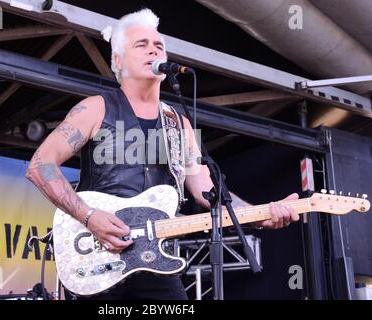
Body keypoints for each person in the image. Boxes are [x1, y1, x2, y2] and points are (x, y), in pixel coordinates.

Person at [26, 8, 300, 300]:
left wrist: (260, 215)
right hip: (98, 255)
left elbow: (207, 191)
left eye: (158, 46)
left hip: (153, 261)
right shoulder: (96, 108)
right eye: (141, 45)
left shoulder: (177, 123)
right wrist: (89, 216)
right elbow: (40, 164)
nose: (153, 50)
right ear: (117, 61)